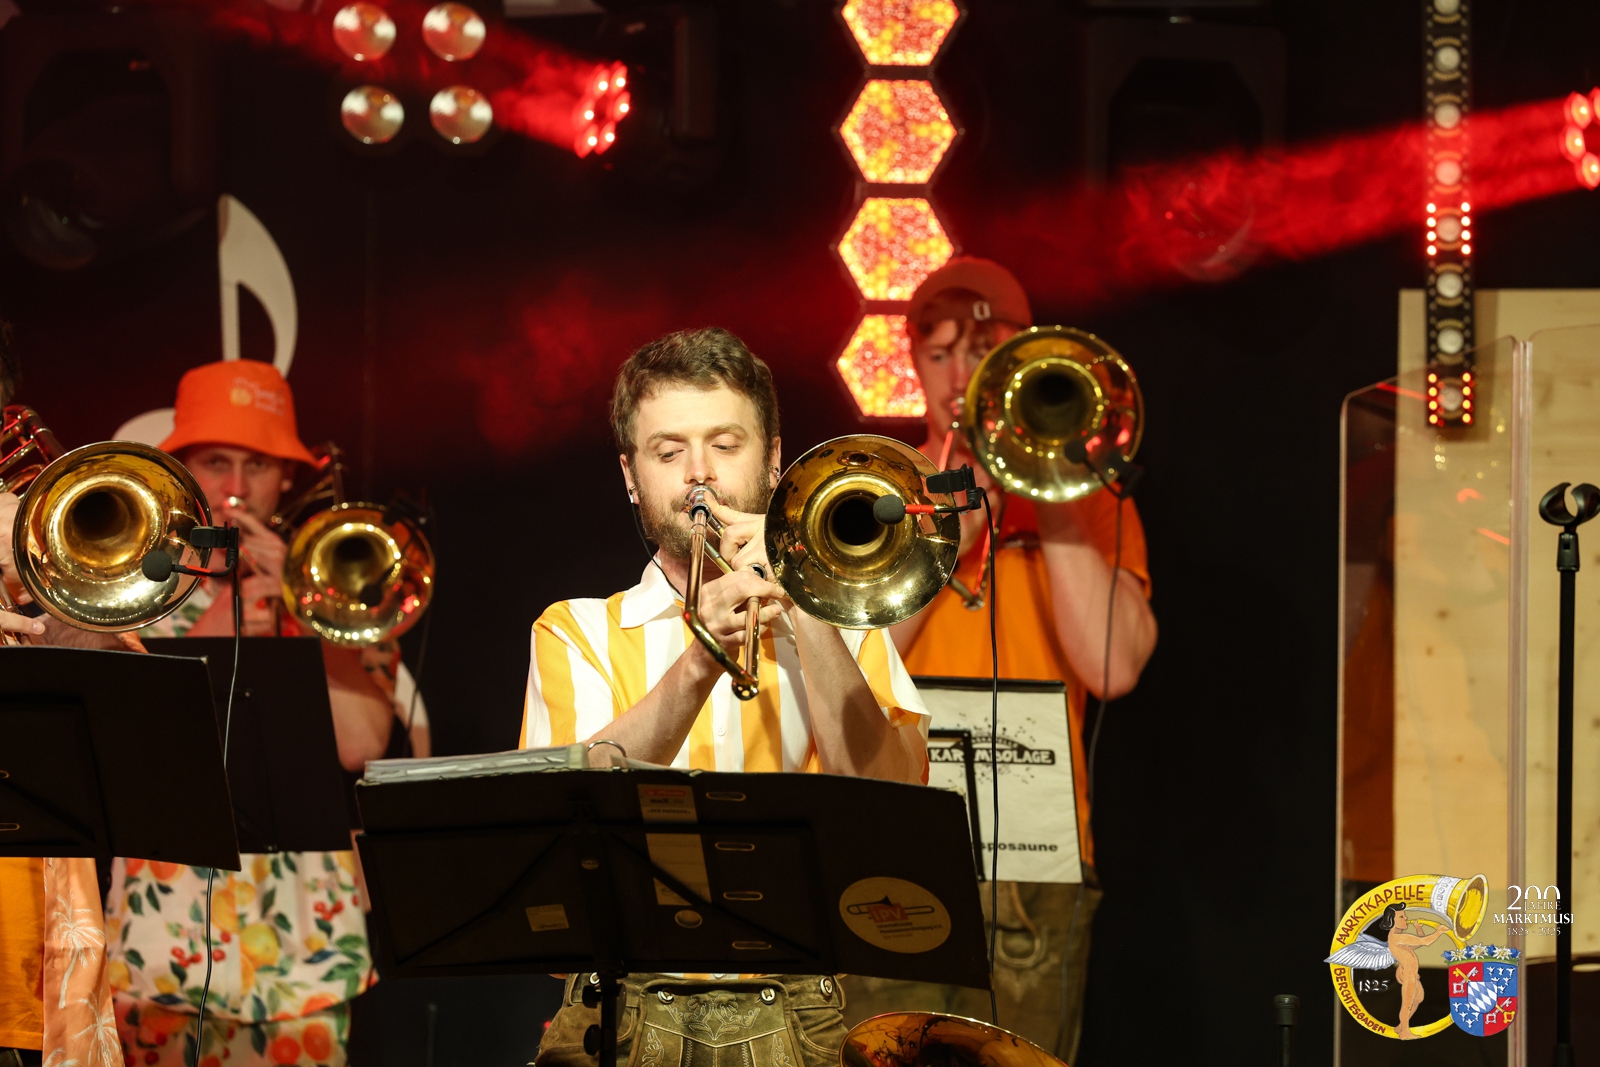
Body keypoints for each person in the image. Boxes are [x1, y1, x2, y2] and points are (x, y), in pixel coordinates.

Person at [524, 328, 930, 1067]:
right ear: (630, 475)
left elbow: (895, 815)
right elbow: (555, 841)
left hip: (797, 1011)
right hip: (622, 1008)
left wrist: (808, 605)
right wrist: (700, 657)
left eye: (724, 444)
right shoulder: (576, 629)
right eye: (668, 452)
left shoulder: (849, 624)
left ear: (774, 458)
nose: (699, 476)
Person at [841, 259, 1158, 1061]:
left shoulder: (1092, 501)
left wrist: (1047, 488)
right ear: (914, 365)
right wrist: (957, 516)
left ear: (1024, 357)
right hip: (895, 846)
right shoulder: (879, 494)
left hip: (1037, 858)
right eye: (939, 353)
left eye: (983, 350)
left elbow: (1115, 666)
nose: (960, 376)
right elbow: (851, 672)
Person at [103, 359, 425, 1067]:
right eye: (216, 462)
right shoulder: (129, 591)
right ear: (182, 472)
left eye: (259, 465)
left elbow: (359, 743)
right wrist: (229, 601)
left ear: (287, 480)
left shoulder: (339, 594)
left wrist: (302, 610)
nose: (238, 487)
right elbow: (139, 742)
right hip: (163, 940)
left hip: (303, 947)